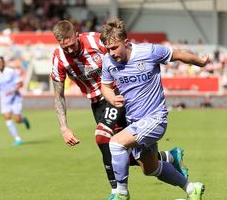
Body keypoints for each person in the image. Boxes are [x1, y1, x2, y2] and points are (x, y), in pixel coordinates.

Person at [51, 20, 187, 200]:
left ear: (77, 35)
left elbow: (124, 50)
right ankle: (169, 157)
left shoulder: (95, 41)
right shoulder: (58, 58)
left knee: (102, 136)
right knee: (125, 152)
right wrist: (63, 127)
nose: (69, 51)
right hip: (97, 104)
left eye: (71, 45)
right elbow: (58, 93)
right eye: (64, 47)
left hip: (118, 95)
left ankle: (118, 192)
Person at [100, 18, 207, 200]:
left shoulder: (149, 51)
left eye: (114, 48)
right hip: (135, 122)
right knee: (151, 169)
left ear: (126, 42)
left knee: (115, 143)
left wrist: (201, 62)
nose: (111, 53)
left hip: (155, 119)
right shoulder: (108, 62)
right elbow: (105, 85)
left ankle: (121, 193)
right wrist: (111, 97)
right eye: (107, 49)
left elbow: (179, 55)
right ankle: (191, 188)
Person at [0, 57, 30, 146]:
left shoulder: (11, 72)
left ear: (4, 63)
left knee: (17, 120)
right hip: (4, 100)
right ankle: (18, 139)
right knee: (7, 117)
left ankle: (23, 120)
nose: (0, 64)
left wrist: (13, 90)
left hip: (15, 98)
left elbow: (20, 83)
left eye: (2, 62)